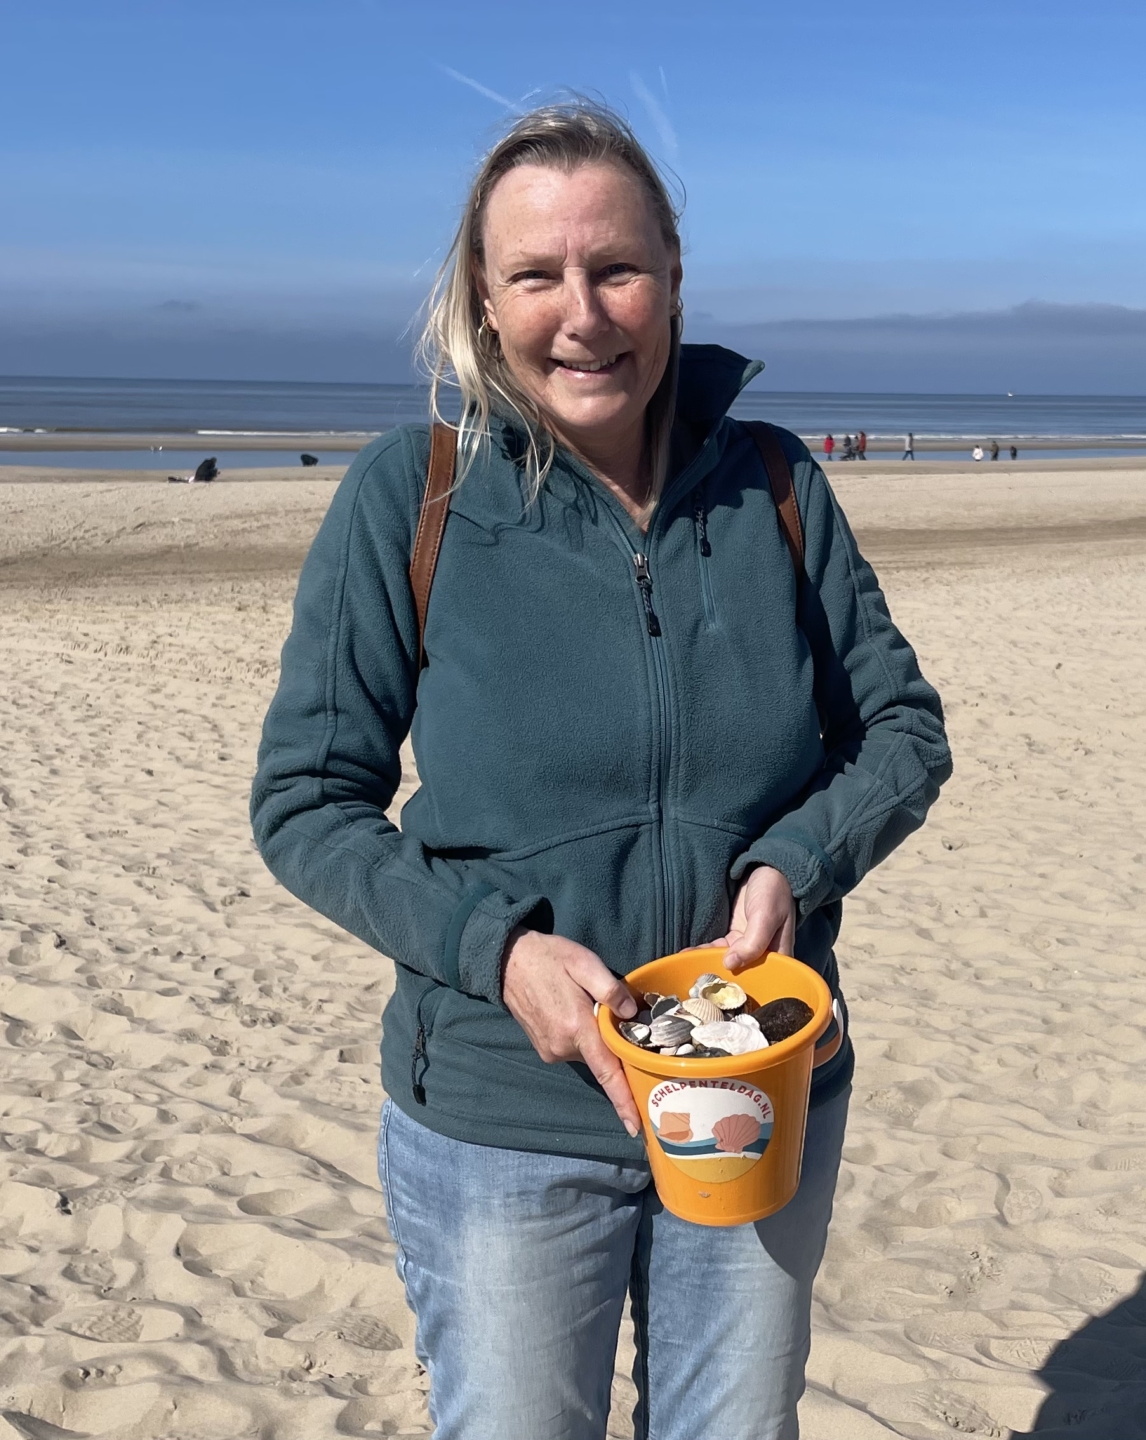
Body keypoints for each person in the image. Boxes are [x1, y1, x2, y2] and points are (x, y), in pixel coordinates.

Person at [249, 101, 950, 1440]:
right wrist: (496, 950)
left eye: (616, 268)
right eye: (537, 276)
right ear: (482, 299)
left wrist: (796, 863)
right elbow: (306, 804)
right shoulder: (417, 497)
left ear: (674, 282)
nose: (584, 313)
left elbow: (903, 731)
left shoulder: (778, 486)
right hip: (505, 1112)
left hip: (753, 1085)